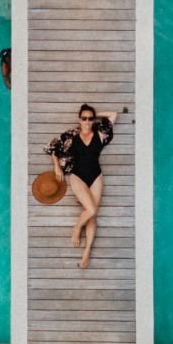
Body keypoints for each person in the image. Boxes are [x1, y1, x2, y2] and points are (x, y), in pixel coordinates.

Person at [46, 103, 114, 269]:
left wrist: (97, 115)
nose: (87, 121)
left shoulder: (100, 133)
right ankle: (77, 227)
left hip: (96, 176)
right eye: (84, 118)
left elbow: (113, 115)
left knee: (92, 216)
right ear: (79, 119)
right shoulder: (71, 135)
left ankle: (86, 254)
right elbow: (53, 146)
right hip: (77, 176)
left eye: (90, 118)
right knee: (91, 210)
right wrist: (56, 166)